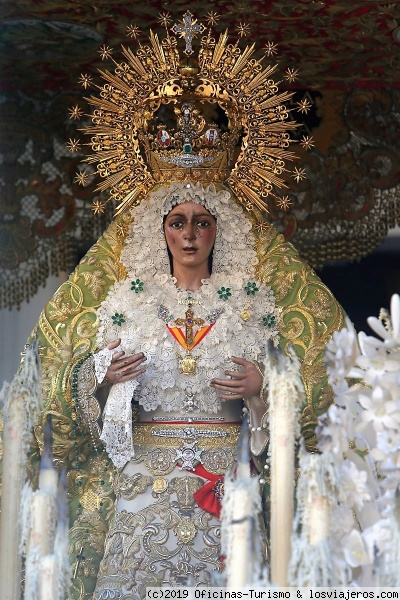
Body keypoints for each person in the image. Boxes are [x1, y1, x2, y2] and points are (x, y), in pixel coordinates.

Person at [22, 12, 345, 599]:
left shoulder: (253, 302)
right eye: (177, 222)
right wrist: (103, 380)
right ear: (160, 230)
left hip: (227, 486)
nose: (190, 234)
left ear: (220, 230)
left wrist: (265, 387)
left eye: (202, 221)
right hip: (143, 490)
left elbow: (301, 387)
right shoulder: (126, 301)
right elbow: (76, 396)